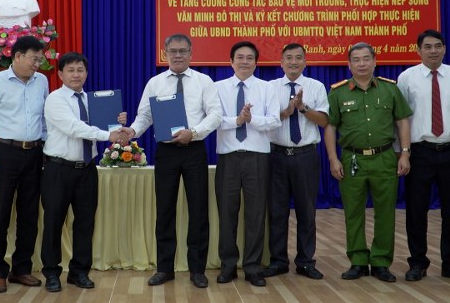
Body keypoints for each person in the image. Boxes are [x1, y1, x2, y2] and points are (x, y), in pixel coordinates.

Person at [124, 33, 222, 289]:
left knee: (198, 211)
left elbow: (215, 114)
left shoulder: (203, 81)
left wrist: (194, 132)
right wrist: (132, 131)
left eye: (183, 51)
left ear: (191, 53)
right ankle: (164, 269)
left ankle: (197, 270)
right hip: (166, 152)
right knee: (165, 210)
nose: (178, 55)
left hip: (194, 150)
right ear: (165, 53)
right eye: (173, 51)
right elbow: (144, 116)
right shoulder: (155, 83)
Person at [397, 30, 450, 284]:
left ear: (444, 48)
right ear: (418, 50)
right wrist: (401, 153)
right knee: (416, 212)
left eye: (438, 46)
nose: (433, 51)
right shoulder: (407, 78)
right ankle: (417, 263)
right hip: (419, 153)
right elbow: (400, 119)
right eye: (427, 46)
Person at [40, 52, 129, 292]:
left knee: (85, 223)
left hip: (87, 170)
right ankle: (51, 273)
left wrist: (117, 122)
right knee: (53, 223)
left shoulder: (93, 100)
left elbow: (103, 126)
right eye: (70, 70)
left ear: (87, 73)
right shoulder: (55, 99)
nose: (76, 74)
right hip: (58, 169)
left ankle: (79, 272)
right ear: (60, 74)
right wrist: (108, 134)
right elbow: (74, 128)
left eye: (80, 70)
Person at [324, 42, 412, 283]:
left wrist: (405, 153)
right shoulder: (338, 92)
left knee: (385, 212)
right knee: (353, 212)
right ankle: (358, 261)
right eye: (356, 60)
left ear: (375, 61)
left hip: (385, 158)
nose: (361, 64)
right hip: (352, 158)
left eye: (366, 59)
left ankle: (381, 262)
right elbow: (330, 127)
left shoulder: (390, 89)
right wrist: (333, 159)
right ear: (348, 64)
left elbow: (402, 121)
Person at [0, 35, 48, 293]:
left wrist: (45, 149)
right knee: (1, 215)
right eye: (34, 59)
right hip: (5, 153)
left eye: (40, 60)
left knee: (29, 215)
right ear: (18, 56)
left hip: (34, 153)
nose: (37, 65)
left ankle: (21, 268)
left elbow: (44, 120)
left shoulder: (42, 81)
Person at [214, 41, 280, 287]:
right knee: (226, 214)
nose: (244, 62)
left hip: (257, 158)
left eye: (249, 58)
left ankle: (253, 267)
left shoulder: (267, 88)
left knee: (256, 214)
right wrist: (237, 120)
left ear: (256, 62)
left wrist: (251, 119)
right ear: (231, 62)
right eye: (240, 57)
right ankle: (228, 266)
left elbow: (275, 121)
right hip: (228, 158)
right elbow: (214, 120)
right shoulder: (218, 88)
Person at [263, 43, 328, 281]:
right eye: (288, 58)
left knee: (306, 211)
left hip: (305, 156)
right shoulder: (269, 88)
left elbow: (324, 121)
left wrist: (302, 108)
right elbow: (264, 119)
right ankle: (278, 261)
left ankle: (305, 261)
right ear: (281, 63)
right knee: (277, 211)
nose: (293, 62)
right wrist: (285, 112)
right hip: (276, 155)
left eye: (298, 58)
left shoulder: (316, 86)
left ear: (305, 62)